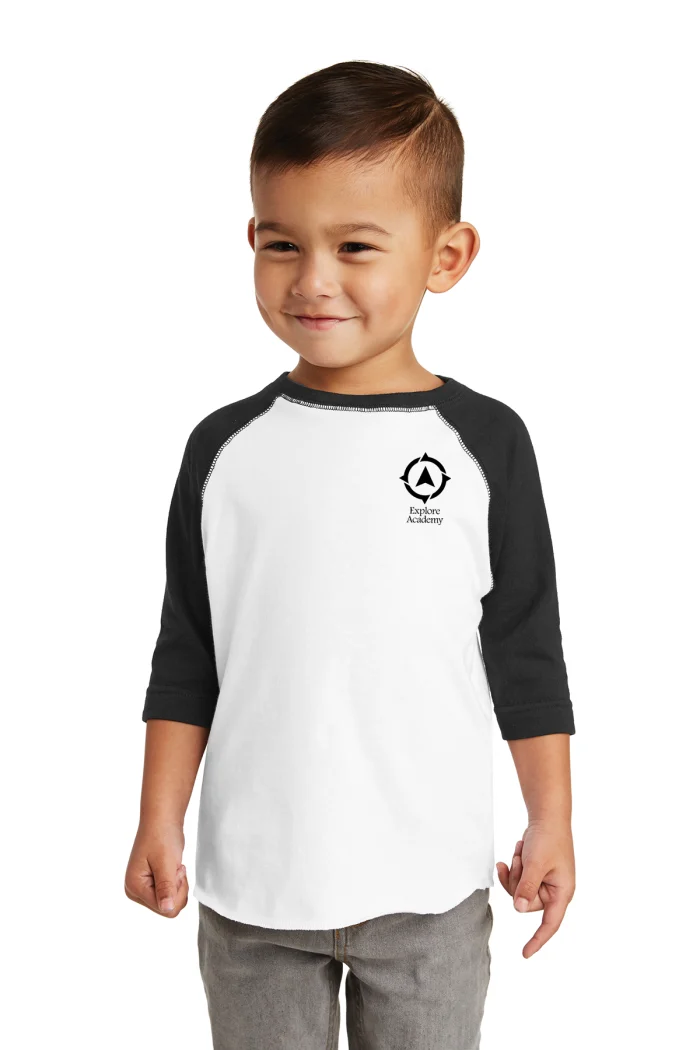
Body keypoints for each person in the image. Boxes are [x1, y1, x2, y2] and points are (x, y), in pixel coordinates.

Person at [124, 59, 576, 1050]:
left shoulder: (486, 444)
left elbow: (525, 649)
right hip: (255, 896)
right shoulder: (224, 449)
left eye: (356, 246)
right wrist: (159, 816)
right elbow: (188, 651)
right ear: (251, 239)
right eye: (282, 242)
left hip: (427, 892)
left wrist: (552, 820)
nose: (312, 279)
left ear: (447, 256)